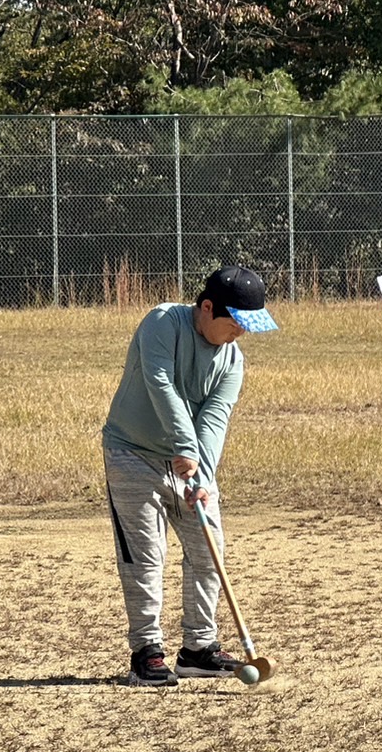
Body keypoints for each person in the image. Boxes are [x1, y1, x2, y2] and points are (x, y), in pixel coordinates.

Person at [102, 265, 279, 686]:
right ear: (206, 308)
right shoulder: (162, 323)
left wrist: (203, 476)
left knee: (207, 550)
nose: (241, 332)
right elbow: (161, 384)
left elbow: (215, 421)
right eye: (236, 322)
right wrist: (184, 446)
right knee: (146, 555)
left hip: (190, 464)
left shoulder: (233, 360)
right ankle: (146, 653)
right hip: (133, 452)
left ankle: (199, 649)